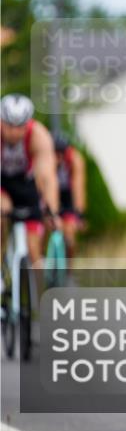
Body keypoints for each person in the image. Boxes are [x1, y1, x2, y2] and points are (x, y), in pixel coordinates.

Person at [0, 94, 62, 291]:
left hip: (26, 186)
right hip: (2, 184)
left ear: (28, 124)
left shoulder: (39, 136)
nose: (14, 133)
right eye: (9, 126)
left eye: (20, 127)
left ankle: (42, 302)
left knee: (34, 248)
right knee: (2, 213)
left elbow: (47, 177)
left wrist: (52, 210)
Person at [53, 134, 86, 260]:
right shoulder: (49, 159)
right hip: (54, 194)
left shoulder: (75, 159)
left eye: (61, 153)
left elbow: (79, 187)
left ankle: (68, 272)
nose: (59, 157)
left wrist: (79, 214)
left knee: (70, 236)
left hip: (68, 197)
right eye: (56, 153)